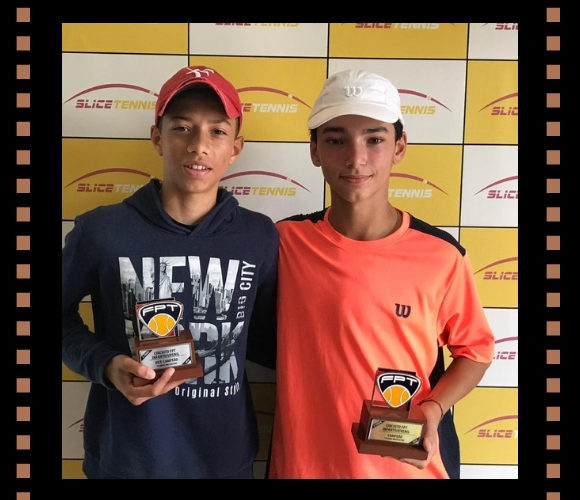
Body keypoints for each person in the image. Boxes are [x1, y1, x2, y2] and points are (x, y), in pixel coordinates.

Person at [268, 69, 495, 479]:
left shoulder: (441, 255)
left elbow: (475, 352)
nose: (356, 158)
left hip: (409, 470)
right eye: (336, 140)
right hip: (307, 468)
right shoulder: (284, 242)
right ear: (315, 150)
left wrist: (434, 408)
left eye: (374, 140)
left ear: (399, 148)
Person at [62, 65, 279, 479]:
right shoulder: (102, 230)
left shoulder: (259, 237)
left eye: (217, 131)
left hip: (224, 461)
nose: (198, 146)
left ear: (236, 147)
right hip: (128, 462)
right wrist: (106, 364)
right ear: (157, 137)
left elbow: (274, 338)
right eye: (181, 128)